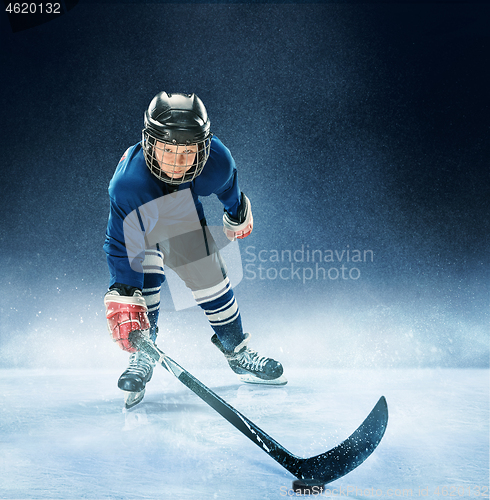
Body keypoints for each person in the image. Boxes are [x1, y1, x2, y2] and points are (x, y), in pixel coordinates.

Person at [103, 91, 287, 408]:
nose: (177, 163)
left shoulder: (216, 161)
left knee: (211, 280)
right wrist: (123, 290)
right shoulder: (128, 185)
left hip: (180, 213)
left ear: (203, 147)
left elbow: (228, 184)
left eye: (187, 151)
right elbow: (120, 243)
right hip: (140, 224)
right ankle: (142, 355)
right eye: (167, 150)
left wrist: (236, 210)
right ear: (150, 144)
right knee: (142, 284)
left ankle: (237, 353)